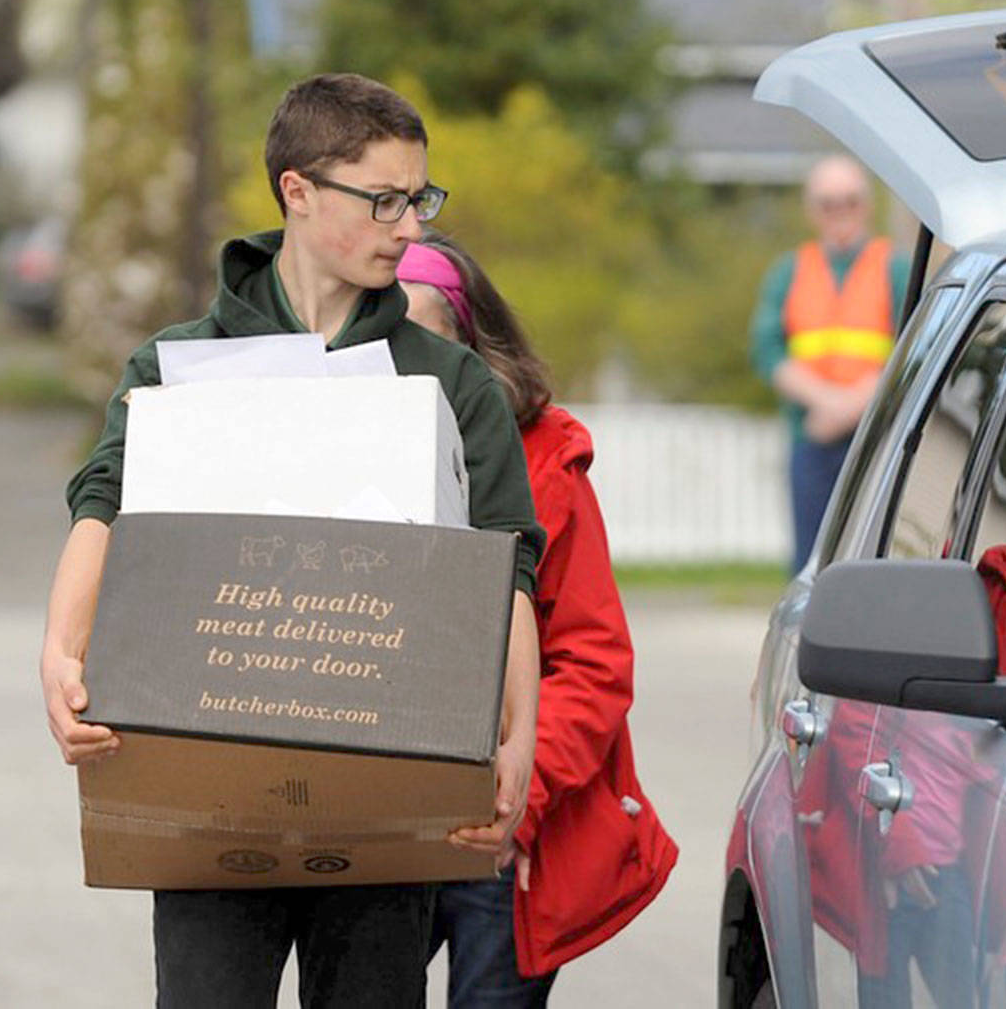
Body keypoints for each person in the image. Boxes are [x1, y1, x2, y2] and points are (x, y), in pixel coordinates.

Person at [39, 73, 545, 1008]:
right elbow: (102, 506)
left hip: (387, 791)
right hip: (208, 792)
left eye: (420, 200)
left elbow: (504, 562)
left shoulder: (452, 385)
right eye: (384, 201)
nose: (412, 228)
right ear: (298, 191)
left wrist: (517, 738)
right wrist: (59, 656)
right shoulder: (176, 369)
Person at [398, 232, 678, 1007]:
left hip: (503, 838)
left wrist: (521, 800)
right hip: (379, 834)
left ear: (472, 347)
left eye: (426, 341)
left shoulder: (548, 465)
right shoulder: (344, 446)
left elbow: (594, 663)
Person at [751, 154, 909, 572]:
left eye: (850, 201)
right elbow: (769, 353)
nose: (840, 212)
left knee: (875, 563)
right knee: (811, 566)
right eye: (828, 203)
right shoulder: (789, 272)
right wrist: (826, 404)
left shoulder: (895, 268)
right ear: (811, 210)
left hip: (876, 439)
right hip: (811, 439)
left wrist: (851, 408)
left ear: (867, 204)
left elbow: (912, 350)